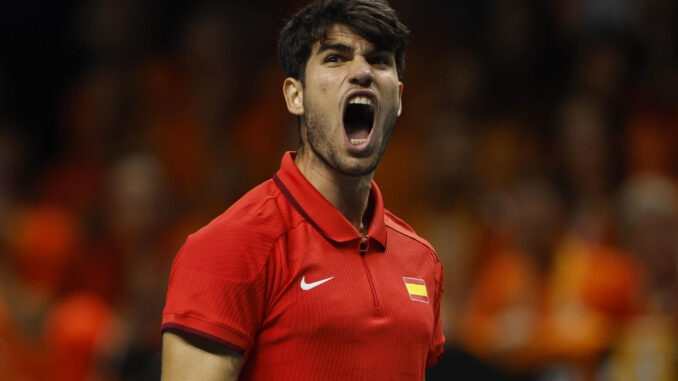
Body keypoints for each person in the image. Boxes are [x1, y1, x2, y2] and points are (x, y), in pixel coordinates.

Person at [160, 1, 444, 380]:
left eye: (378, 61)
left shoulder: (421, 260)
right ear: (295, 96)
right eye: (335, 58)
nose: (361, 72)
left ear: (399, 98)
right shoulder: (228, 247)